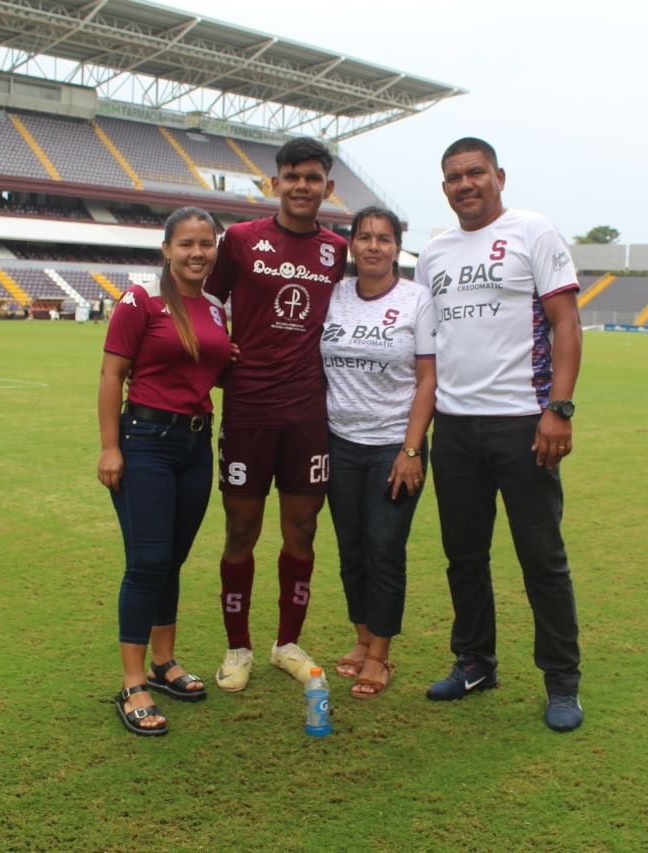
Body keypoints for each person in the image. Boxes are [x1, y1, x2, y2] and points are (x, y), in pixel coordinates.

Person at [414, 137, 585, 732]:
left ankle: (562, 682)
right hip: (456, 426)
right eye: (455, 176)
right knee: (464, 556)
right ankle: (475, 661)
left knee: (542, 558)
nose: (466, 184)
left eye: (476, 173)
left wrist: (557, 409)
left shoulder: (532, 231)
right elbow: (429, 351)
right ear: (444, 187)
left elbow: (566, 323)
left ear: (499, 176)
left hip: (523, 422)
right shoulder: (432, 254)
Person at [203, 137, 348, 691]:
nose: (302, 186)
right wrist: (219, 359)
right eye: (291, 176)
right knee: (241, 527)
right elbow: (208, 304)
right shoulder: (240, 239)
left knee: (303, 531)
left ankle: (286, 642)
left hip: (308, 411)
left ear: (327, 187)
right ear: (275, 184)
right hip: (247, 409)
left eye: (312, 177)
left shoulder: (336, 249)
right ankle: (236, 647)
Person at [97, 206, 231, 736]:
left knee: (172, 559)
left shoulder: (216, 308)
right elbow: (112, 375)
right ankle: (133, 684)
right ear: (167, 250)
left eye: (206, 243)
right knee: (148, 559)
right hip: (146, 441)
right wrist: (110, 447)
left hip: (196, 445)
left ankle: (165, 662)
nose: (197, 253)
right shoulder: (140, 301)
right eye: (187, 244)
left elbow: (208, 366)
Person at [321, 206, 436, 699]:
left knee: (384, 550)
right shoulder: (335, 295)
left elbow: (429, 378)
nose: (373, 246)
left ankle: (381, 655)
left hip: (394, 444)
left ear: (396, 247)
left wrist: (411, 448)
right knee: (351, 550)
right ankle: (362, 637)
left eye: (384, 239)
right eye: (365, 237)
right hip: (339, 442)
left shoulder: (417, 299)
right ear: (352, 244)